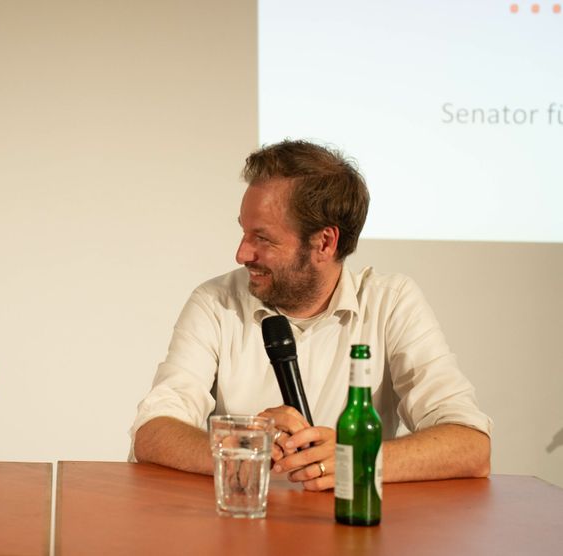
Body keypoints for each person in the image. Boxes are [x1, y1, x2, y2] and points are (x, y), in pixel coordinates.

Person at [130, 139, 491, 491]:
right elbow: (153, 432)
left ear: (324, 243)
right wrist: (245, 443)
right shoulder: (215, 302)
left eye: (263, 238)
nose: (242, 253)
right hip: (241, 532)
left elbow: (471, 446)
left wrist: (358, 459)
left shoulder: (391, 302)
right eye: (243, 232)